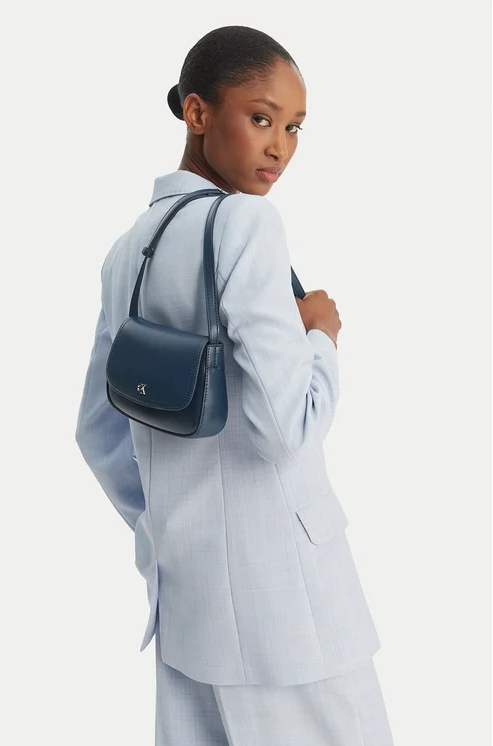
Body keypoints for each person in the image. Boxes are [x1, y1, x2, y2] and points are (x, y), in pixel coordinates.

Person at [75, 24, 394, 746]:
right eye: (260, 118)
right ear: (197, 112)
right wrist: (321, 336)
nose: (280, 146)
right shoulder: (247, 223)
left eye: (294, 127)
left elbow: (98, 432)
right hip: (288, 610)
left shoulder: (127, 251)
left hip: (186, 601)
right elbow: (288, 429)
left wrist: (170, 525)